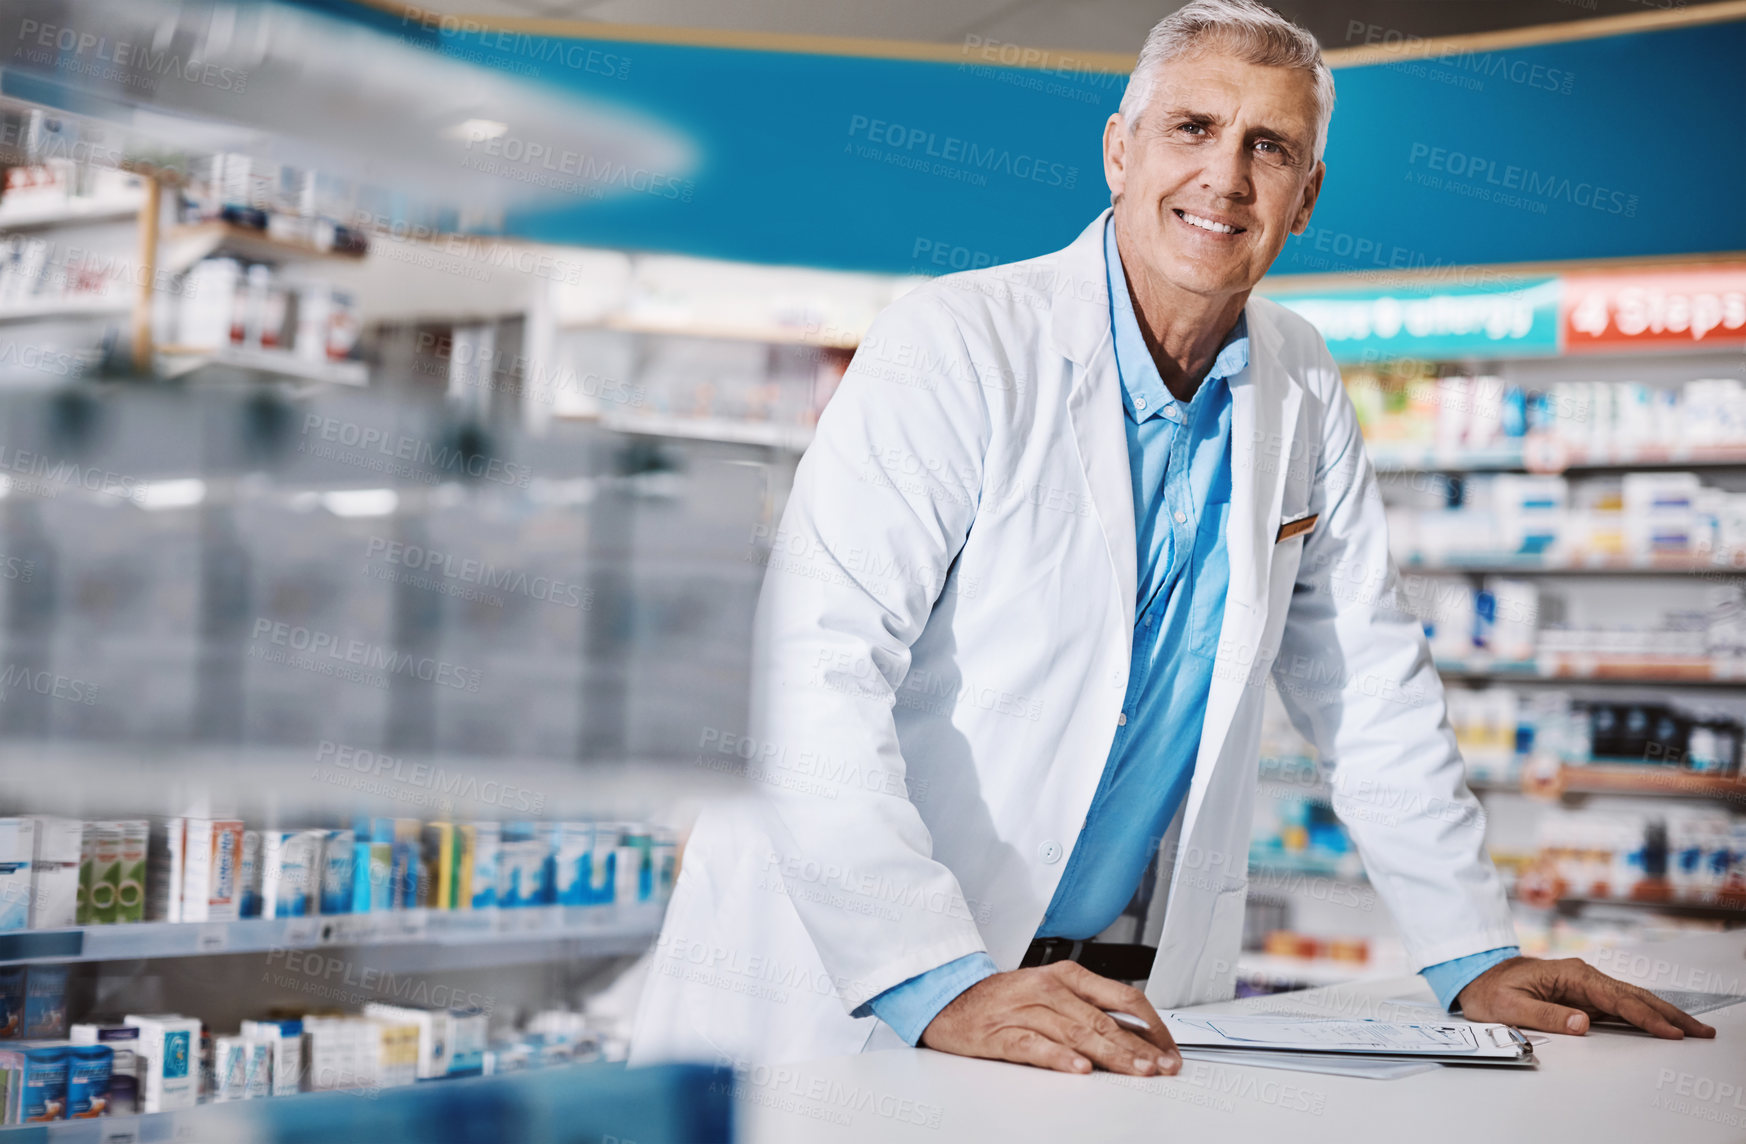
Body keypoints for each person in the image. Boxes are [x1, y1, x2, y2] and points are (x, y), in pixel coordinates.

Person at [630, 0, 1716, 1075]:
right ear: (1119, 149)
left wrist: (1472, 948)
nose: (1226, 178)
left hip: (1099, 986)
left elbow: (1369, 681)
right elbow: (812, 669)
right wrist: (931, 973)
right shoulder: (956, 345)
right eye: (1192, 128)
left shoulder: (1300, 380)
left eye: (1270, 147)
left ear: (1307, 198)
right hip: (858, 978)